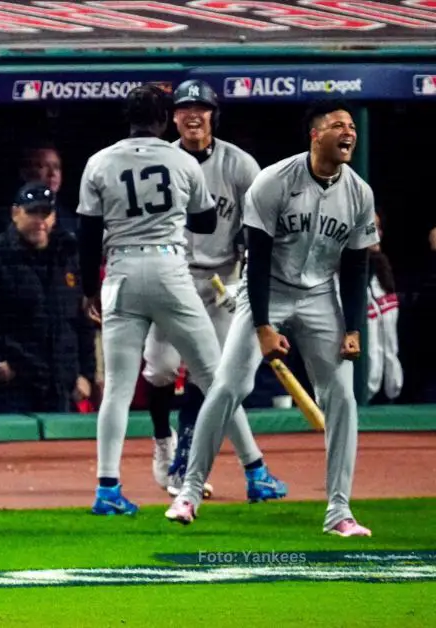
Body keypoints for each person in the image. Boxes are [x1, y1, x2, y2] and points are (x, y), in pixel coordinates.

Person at [166, 100, 378, 537]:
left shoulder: (359, 192)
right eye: (338, 125)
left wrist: (354, 327)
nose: (349, 132)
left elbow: (356, 266)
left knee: (341, 396)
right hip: (268, 290)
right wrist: (263, 326)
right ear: (315, 134)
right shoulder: (274, 180)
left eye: (353, 126)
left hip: (321, 296)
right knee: (228, 385)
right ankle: (188, 491)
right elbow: (257, 260)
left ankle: (339, 511)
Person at [76, 83, 281, 516]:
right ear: (164, 116)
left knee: (116, 388)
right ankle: (256, 471)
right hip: (172, 269)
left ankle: (107, 488)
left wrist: (90, 291)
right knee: (215, 377)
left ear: (128, 117)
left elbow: (88, 235)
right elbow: (206, 221)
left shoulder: (99, 161)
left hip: (122, 273)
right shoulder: (181, 160)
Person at [138, 80, 281, 501]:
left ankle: (184, 460)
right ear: (173, 117)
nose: (193, 115)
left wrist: (245, 277)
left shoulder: (240, 165)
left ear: (214, 114)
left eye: (202, 108)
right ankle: (163, 445)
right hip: (172, 274)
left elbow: (260, 229)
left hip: (223, 278)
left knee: (212, 375)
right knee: (160, 369)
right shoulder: (158, 160)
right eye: (185, 109)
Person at [0, 182, 94, 413]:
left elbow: (82, 320)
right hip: (13, 386)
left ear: (54, 217)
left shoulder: (68, 254)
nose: (40, 220)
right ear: (15, 213)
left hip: (61, 384)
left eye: (45, 213)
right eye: (32, 212)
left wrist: (86, 373)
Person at [366, 214, 401, 402]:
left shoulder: (383, 270)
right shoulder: (338, 275)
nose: (376, 233)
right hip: (361, 391)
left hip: (388, 393)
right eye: (370, 227)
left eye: (378, 227)